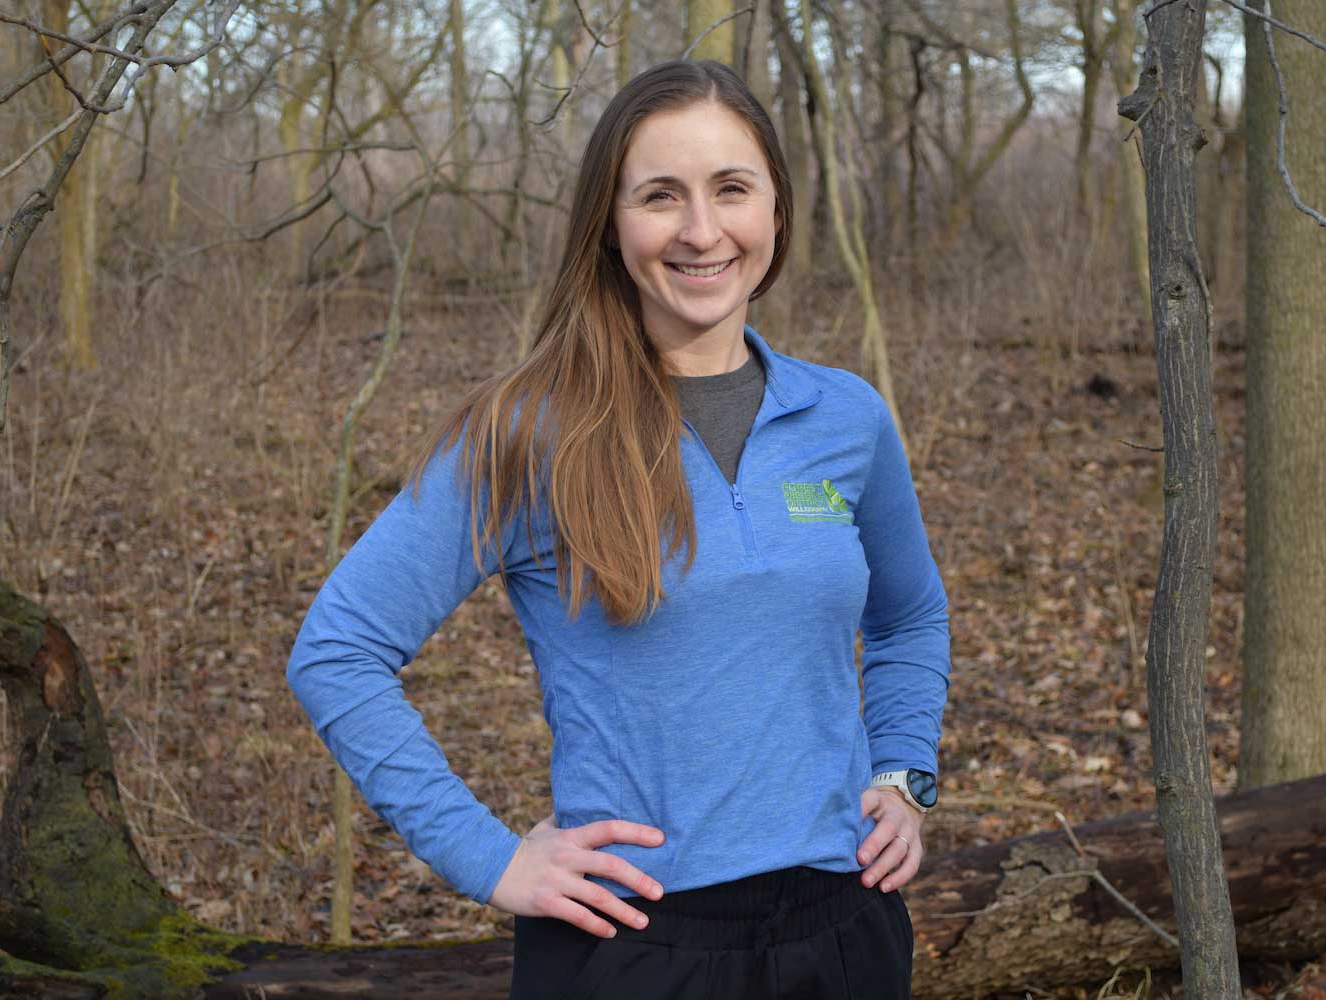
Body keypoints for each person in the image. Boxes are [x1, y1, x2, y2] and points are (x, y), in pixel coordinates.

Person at [285, 58, 950, 1000]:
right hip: (633, 947)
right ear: (610, 221)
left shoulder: (846, 417)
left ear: (777, 211)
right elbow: (337, 649)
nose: (700, 230)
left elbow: (909, 617)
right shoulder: (527, 432)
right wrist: (489, 858)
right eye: (660, 196)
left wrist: (905, 775)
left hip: (844, 935)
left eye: (731, 189)